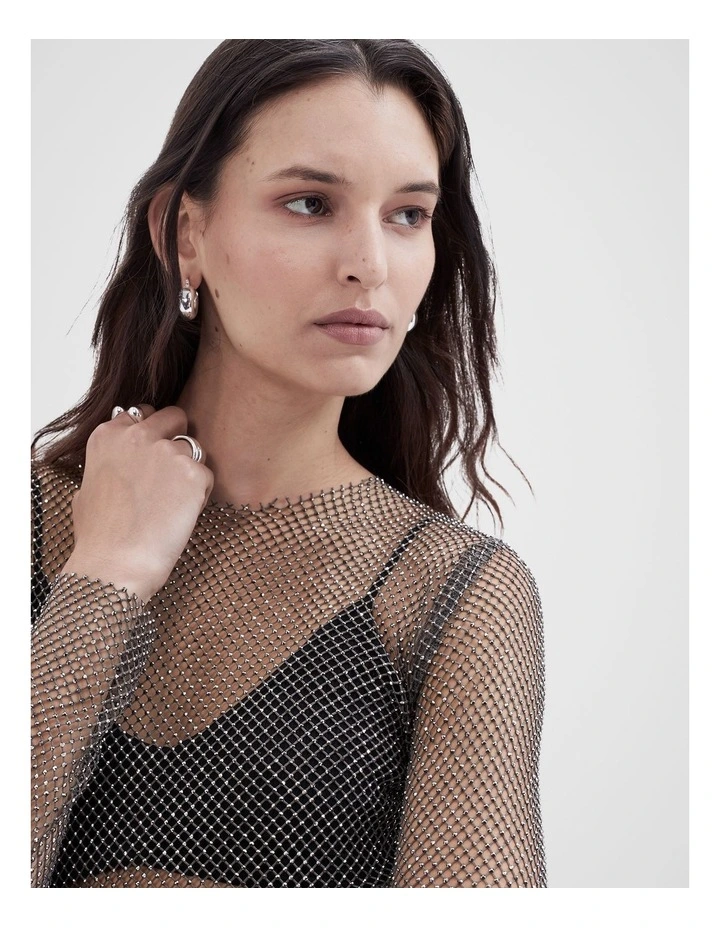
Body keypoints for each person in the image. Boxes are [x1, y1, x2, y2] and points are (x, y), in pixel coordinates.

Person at [31, 39, 547, 889]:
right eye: (310, 203)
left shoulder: (454, 596)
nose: (369, 265)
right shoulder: (30, 524)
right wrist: (106, 575)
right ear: (184, 234)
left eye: (408, 215)